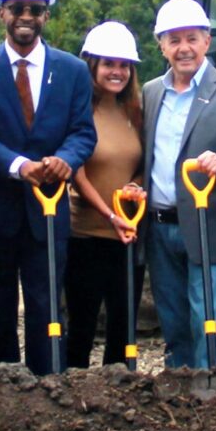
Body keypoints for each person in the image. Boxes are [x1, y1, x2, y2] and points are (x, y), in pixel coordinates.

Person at [0, 0, 97, 374]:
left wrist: (64, 161)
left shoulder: (71, 71)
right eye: (17, 8)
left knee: (46, 310)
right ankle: (2, 396)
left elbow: (83, 133)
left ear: (46, 16)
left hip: (48, 214)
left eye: (35, 10)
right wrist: (21, 167)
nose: (25, 18)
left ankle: (47, 392)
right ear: (2, 11)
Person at [142, 0, 216, 369]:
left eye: (191, 38)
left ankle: (210, 399)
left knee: (207, 320)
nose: (184, 49)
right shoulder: (150, 92)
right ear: (161, 46)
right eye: (174, 40)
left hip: (210, 224)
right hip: (159, 227)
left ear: (207, 41)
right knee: (173, 322)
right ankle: (179, 397)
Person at [65, 21, 147, 369]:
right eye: (109, 64)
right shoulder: (79, 109)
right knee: (82, 324)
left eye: (124, 65)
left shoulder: (135, 111)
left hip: (126, 236)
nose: (118, 72)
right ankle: (74, 397)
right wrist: (108, 215)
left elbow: (143, 162)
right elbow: (76, 172)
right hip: (85, 235)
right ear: (93, 65)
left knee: (123, 326)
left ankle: (121, 397)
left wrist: (136, 186)